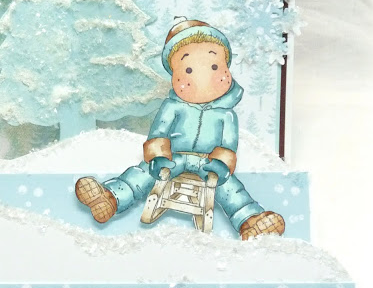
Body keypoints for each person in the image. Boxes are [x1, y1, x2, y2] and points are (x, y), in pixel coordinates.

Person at [75, 18, 285, 240]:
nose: (201, 77)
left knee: (230, 188)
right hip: (173, 158)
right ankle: (110, 198)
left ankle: (250, 221)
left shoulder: (227, 115)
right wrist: (158, 156)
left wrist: (221, 164)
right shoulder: (172, 107)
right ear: (174, 74)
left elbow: (228, 145)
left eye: (214, 67)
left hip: (208, 163)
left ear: (226, 67)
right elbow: (159, 133)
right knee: (142, 173)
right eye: (188, 69)